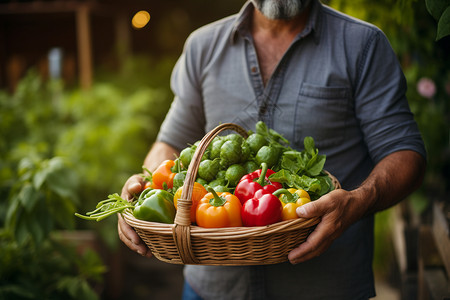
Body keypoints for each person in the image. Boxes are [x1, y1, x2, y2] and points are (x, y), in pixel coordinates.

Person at [117, 0, 427, 299]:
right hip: (212, 289)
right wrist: (147, 184)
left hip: (324, 287)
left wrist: (358, 201)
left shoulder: (362, 44)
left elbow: (405, 153)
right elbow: (169, 143)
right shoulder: (203, 46)